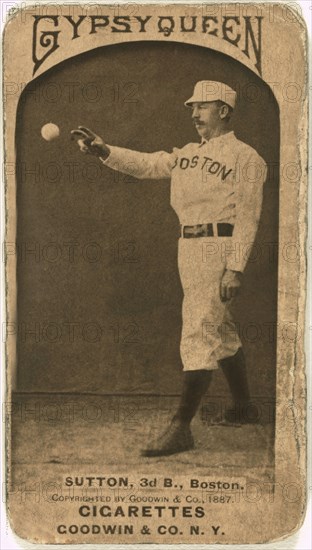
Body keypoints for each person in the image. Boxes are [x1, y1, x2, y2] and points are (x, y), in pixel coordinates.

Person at [71, 80, 267, 457]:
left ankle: (181, 429)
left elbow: (249, 217)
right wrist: (104, 150)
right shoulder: (187, 153)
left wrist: (235, 268)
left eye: (202, 107)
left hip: (217, 245)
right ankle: (244, 408)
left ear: (224, 111)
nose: (194, 114)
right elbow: (146, 164)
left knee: (198, 328)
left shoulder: (247, 158)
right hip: (188, 246)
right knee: (219, 328)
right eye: (192, 107)